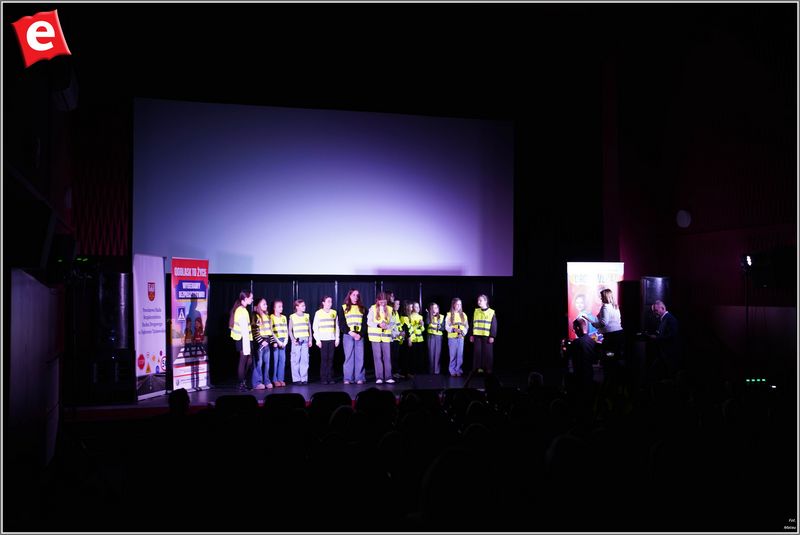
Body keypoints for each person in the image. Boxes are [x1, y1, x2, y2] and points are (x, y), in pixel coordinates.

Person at [339, 288, 368, 385]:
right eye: (354, 295)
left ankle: (359, 378)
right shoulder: (344, 307)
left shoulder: (363, 308)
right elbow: (342, 323)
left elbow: (365, 324)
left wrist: (360, 334)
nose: (356, 297)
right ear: (349, 296)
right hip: (348, 335)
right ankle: (348, 378)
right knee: (349, 357)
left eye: (357, 295)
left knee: (360, 357)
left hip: (359, 335)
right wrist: (350, 332)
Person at [367, 292, 396, 384]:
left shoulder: (390, 309)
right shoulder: (372, 308)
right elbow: (369, 322)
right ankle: (379, 377)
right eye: (381, 301)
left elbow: (393, 322)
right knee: (377, 357)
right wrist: (378, 325)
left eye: (384, 301)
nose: (383, 303)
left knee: (387, 357)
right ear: (377, 300)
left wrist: (387, 326)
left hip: (386, 337)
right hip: (375, 337)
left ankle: (388, 377)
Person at [229, 290, 254, 390]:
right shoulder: (241, 311)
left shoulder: (243, 309)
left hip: (245, 338)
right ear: (245, 299)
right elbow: (244, 330)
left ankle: (242, 380)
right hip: (243, 339)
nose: (252, 300)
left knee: (249, 360)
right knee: (243, 361)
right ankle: (241, 383)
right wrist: (247, 345)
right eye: (251, 298)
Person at [649, 300, 681, 378]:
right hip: (664, 354)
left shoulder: (670, 319)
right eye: (654, 311)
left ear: (663, 308)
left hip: (669, 354)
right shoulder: (664, 319)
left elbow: (672, 336)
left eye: (656, 310)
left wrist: (657, 338)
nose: (654, 313)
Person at [588, 288, 624, 357]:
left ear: (606, 297)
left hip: (611, 336)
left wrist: (595, 325)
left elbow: (604, 323)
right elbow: (618, 320)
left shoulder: (605, 307)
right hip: (619, 333)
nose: (601, 298)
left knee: (608, 355)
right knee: (615, 354)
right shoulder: (615, 306)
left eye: (602, 296)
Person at [313, 296, 340, 385]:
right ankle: (324, 378)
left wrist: (337, 338)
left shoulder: (334, 312)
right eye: (328, 301)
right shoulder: (318, 313)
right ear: (323, 303)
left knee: (331, 359)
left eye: (331, 301)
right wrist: (317, 340)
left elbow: (336, 327)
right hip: (323, 340)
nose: (330, 303)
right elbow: (315, 327)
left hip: (332, 339)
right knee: (324, 359)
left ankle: (330, 377)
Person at [470, 294, 497, 373]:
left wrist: (492, 336)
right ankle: (477, 368)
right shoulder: (476, 311)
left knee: (488, 353)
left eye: (480, 300)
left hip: (487, 336)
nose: (478, 302)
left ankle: (488, 369)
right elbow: (472, 323)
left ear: (485, 301)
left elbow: (494, 325)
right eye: (478, 300)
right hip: (477, 336)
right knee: (477, 353)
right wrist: (471, 335)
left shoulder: (491, 312)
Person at [251, 298, 274, 390]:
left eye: (266, 304)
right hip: (260, 343)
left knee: (267, 363)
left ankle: (267, 381)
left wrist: (272, 341)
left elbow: (270, 331)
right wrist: (261, 341)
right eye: (264, 304)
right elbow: (254, 331)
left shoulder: (267, 316)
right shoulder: (256, 316)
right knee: (259, 363)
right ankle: (257, 382)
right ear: (258, 305)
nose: (266, 306)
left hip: (267, 342)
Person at [288, 299, 312, 384]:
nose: (304, 307)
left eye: (304, 305)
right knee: (295, 360)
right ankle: (296, 379)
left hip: (305, 340)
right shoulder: (292, 316)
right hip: (297, 341)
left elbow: (309, 329)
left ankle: (304, 378)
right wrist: (293, 339)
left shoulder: (307, 316)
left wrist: (310, 340)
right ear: (297, 307)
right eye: (302, 306)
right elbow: (290, 330)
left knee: (305, 360)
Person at [445, 297, 469, 377]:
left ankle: (458, 369)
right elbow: (446, 326)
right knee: (453, 355)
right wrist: (454, 329)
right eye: (457, 304)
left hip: (460, 338)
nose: (459, 306)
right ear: (453, 305)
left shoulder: (463, 315)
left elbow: (466, 326)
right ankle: (452, 370)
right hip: (452, 338)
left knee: (460, 355)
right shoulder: (449, 315)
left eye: (460, 304)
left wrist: (463, 333)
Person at [270, 300, 288, 387]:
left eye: (282, 306)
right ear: (274, 308)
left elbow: (286, 330)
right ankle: (274, 379)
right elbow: (271, 331)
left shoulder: (284, 317)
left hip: (283, 341)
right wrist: (278, 341)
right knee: (275, 361)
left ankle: (281, 379)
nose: (281, 308)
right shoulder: (271, 317)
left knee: (282, 361)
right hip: (276, 342)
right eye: (279, 306)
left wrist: (285, 341)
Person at [426, 302, 444, 374]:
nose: (434, 310)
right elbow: (427, 322)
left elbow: (443, 328)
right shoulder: (428, 316)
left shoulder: (441, 317)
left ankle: (436, 371)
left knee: (437, 354)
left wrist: (440, 327)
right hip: (431, 336)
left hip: (438, 337)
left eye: (436, 308)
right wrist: (429, 314)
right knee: (431, 354)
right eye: (432, 308)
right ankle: (431, 371)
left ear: (438, 309)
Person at [390, 298, 405, 379]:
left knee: (396, 357)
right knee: (392, 357)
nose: (398, 305)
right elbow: (390, 328)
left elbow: (398, 325)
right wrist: (398, 333)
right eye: (397, 304)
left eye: (399, 304)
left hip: (397, 338)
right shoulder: (390, 313)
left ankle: (395, 372)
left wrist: (401, 331)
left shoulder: (396, 313)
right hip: (391, 339)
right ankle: (392, 373)